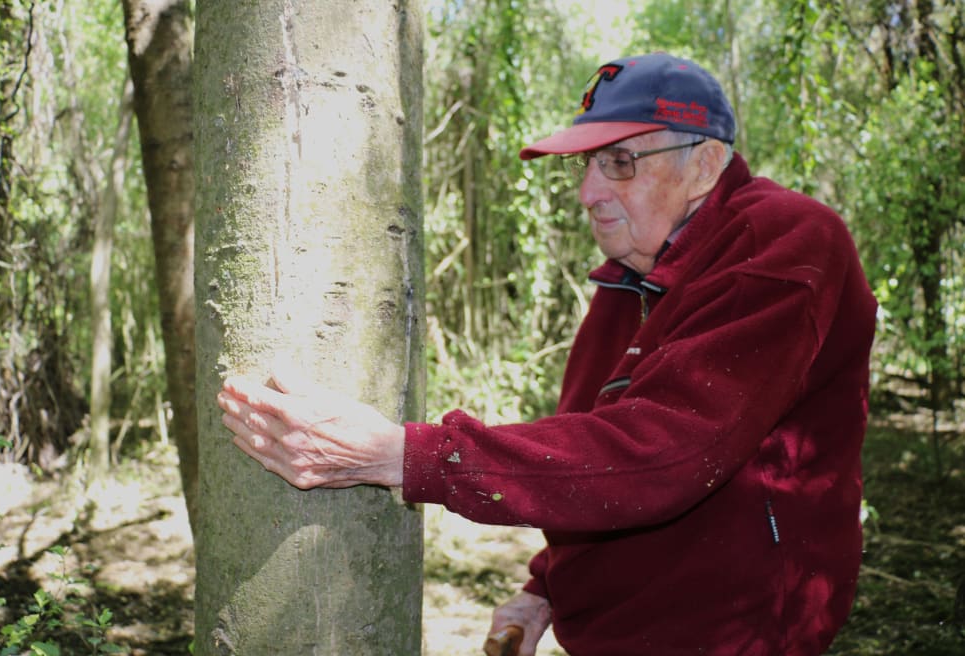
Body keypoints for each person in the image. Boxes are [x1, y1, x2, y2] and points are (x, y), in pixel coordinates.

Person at [217, 52, 877, 655]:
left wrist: (402, 456)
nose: (589, 192)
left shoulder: (781, 244)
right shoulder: (630, 281)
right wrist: (546, 588)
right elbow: (597, 456)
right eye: (586, 166)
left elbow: (666, 452)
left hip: (733, 635)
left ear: (703, 163)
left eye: (619, 162)